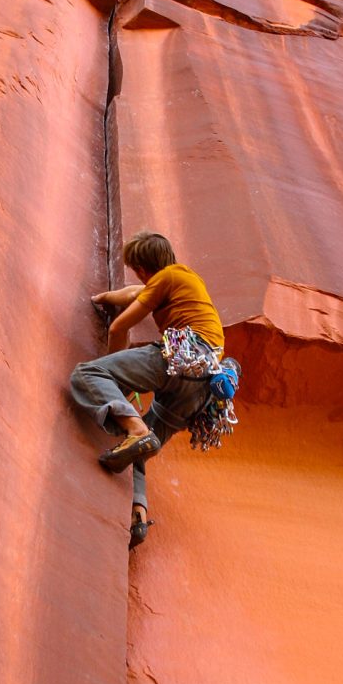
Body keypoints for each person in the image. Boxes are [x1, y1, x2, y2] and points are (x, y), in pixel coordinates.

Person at [70, 231, 225, 549]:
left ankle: (135, 429)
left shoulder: (166, 278)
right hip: (203, 386)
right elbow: (133, 294)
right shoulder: (183, 278)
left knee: (89, 374)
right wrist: (104, 298)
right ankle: (137, 518)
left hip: (184, 354)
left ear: (142, 268)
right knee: (140, 454)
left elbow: (119, 326)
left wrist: (114, 375)